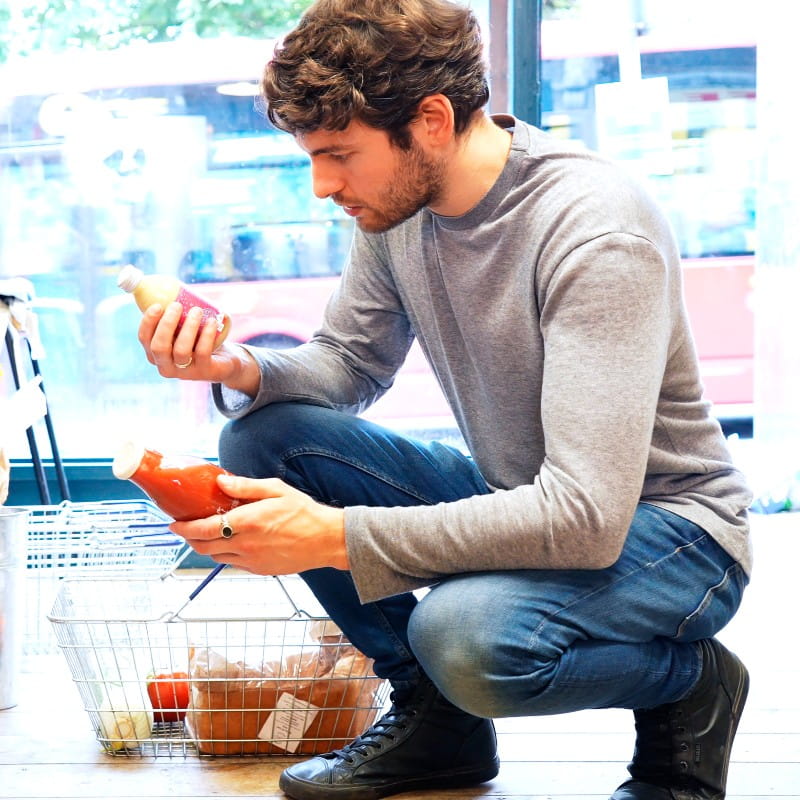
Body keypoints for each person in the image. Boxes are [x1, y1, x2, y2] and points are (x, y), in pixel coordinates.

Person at [137, 1, 753, 798]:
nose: (323, 186)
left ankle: (690, 684)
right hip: (529, 500)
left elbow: (585, 517)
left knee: (462, 636)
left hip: (670, 532)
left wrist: (337, 537)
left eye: (339, 155)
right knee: (264, 440)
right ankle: (437, 726)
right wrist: (234, 366)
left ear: (430, 121)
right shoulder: (399, 205)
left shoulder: (595, 230)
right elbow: (349, 361)